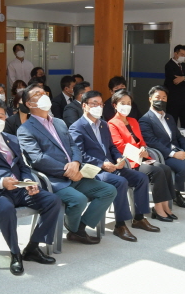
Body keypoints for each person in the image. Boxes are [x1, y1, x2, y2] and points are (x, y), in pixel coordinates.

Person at [0, 99, 62, 275]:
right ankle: (15, 253)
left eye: (2, 116)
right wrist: (1, 182)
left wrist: (29, 182)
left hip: (20, 188)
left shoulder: (12, 139)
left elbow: (23, 166)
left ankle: (32, 247)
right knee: (6, 209)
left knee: (53, 201)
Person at [19, 85, 115, 243]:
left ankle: (79, 228)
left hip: (76, 173)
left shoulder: (59, 122)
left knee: (108, 190)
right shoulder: (25, 129)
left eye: (44, 93)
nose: (43, 96)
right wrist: (67, 171)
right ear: (29, 104)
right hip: (54, 180)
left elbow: (73, 146)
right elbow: (38, 158)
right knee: (79, 199)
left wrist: (76, 163)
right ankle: (74, 229)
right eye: (37, 94)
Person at [69, 90, 156, 241]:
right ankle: (120, 225)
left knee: (141, 178)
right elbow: (79, 154)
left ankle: (139, 218)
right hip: (95, 170)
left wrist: (119, 158)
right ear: (84, 105)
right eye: (94, 104)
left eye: (100, 104)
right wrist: (102, 164)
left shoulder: (103, 124)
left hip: (112, 166)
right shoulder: (77, 127)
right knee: (120, 182)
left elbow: (112, 147)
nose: (98, 107)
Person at [108, 90, 177, 223]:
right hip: (129, 162)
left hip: (142, 158)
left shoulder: (133, 121)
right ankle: (158, 208)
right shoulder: (112, 123)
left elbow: (142, 141)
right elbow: (119, 146)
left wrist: (144, 149)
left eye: (129, 103)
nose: (126, 106)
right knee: (157, 171)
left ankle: (165, 205)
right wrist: (137, 152)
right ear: (115, 105)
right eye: (123, 103)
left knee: (165, 169)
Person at [140, 85, 185, 209]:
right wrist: (173, 154)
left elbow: (179, 137)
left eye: (164, 98)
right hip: (164, 156)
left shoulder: (169, 117)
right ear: (150, 99)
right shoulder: (145, 120)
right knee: (184, 167)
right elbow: (152, 142)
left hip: (180, 152)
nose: (161, 100)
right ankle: (176, 194)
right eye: (157, 97)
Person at [164, 44, 185, 130]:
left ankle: (184, 136)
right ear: (175, 54)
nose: (183, 57)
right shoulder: (169, 65)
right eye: (182, 54)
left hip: (184, 100)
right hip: (173, 100)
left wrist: (184, 78)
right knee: (172, 122)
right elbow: (176, 81)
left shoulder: (183, 65)